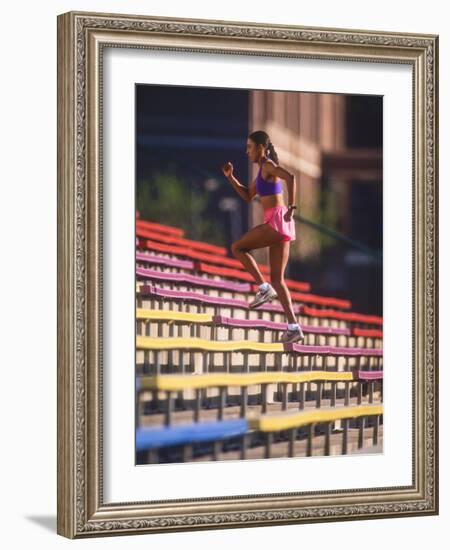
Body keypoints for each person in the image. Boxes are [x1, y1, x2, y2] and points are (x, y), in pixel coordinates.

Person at [221, 130, 305, 343]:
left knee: (237, 248)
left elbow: (290, 177)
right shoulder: (260, 174)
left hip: (277, 222)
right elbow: (248, 196)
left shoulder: (267, 165)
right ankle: (294, 327)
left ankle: (263, 287)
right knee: (278, 279)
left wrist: (292, 206)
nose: (247, 151)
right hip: (283, 226)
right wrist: (231, 177)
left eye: (249, 147)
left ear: (260, 148)